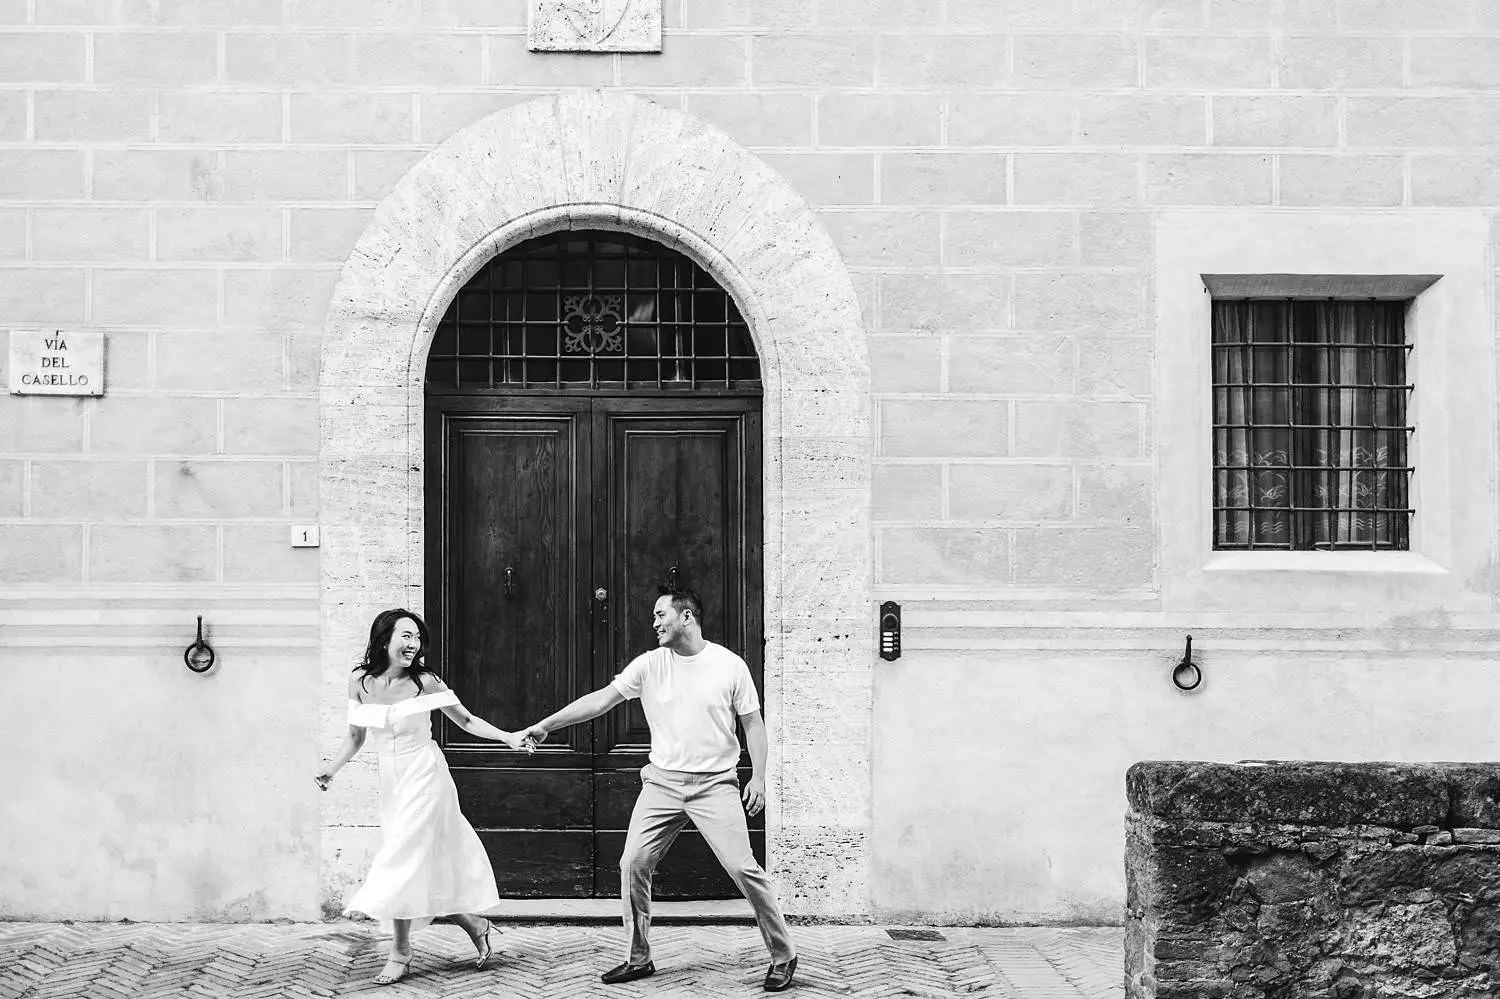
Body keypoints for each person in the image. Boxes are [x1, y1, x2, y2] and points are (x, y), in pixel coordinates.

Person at [520, 586, 798, 992]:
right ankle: (638, 958)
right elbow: (600, 701)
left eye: (659, 615)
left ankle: (783, 955)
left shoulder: (729, 666)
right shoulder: (650, 665)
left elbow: (753, 724)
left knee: (743, 868)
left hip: (716, 784)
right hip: (663, 784)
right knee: (633, 863)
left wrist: (759, 776)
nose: (654, 623)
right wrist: (547, 725)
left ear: (686, 617)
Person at [316, 608, 533, 985]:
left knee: (400, 859)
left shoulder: (426, 682)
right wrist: (331, 770)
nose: (413, 644)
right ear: (384, 638)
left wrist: (508, 737)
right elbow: (355, 737)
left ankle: (400, 951)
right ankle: (474, 923)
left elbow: (466, 720)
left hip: (426, 775)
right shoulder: (360, 681)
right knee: (417, 864)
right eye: (406, 635)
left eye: (417, 637)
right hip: (392, 782)